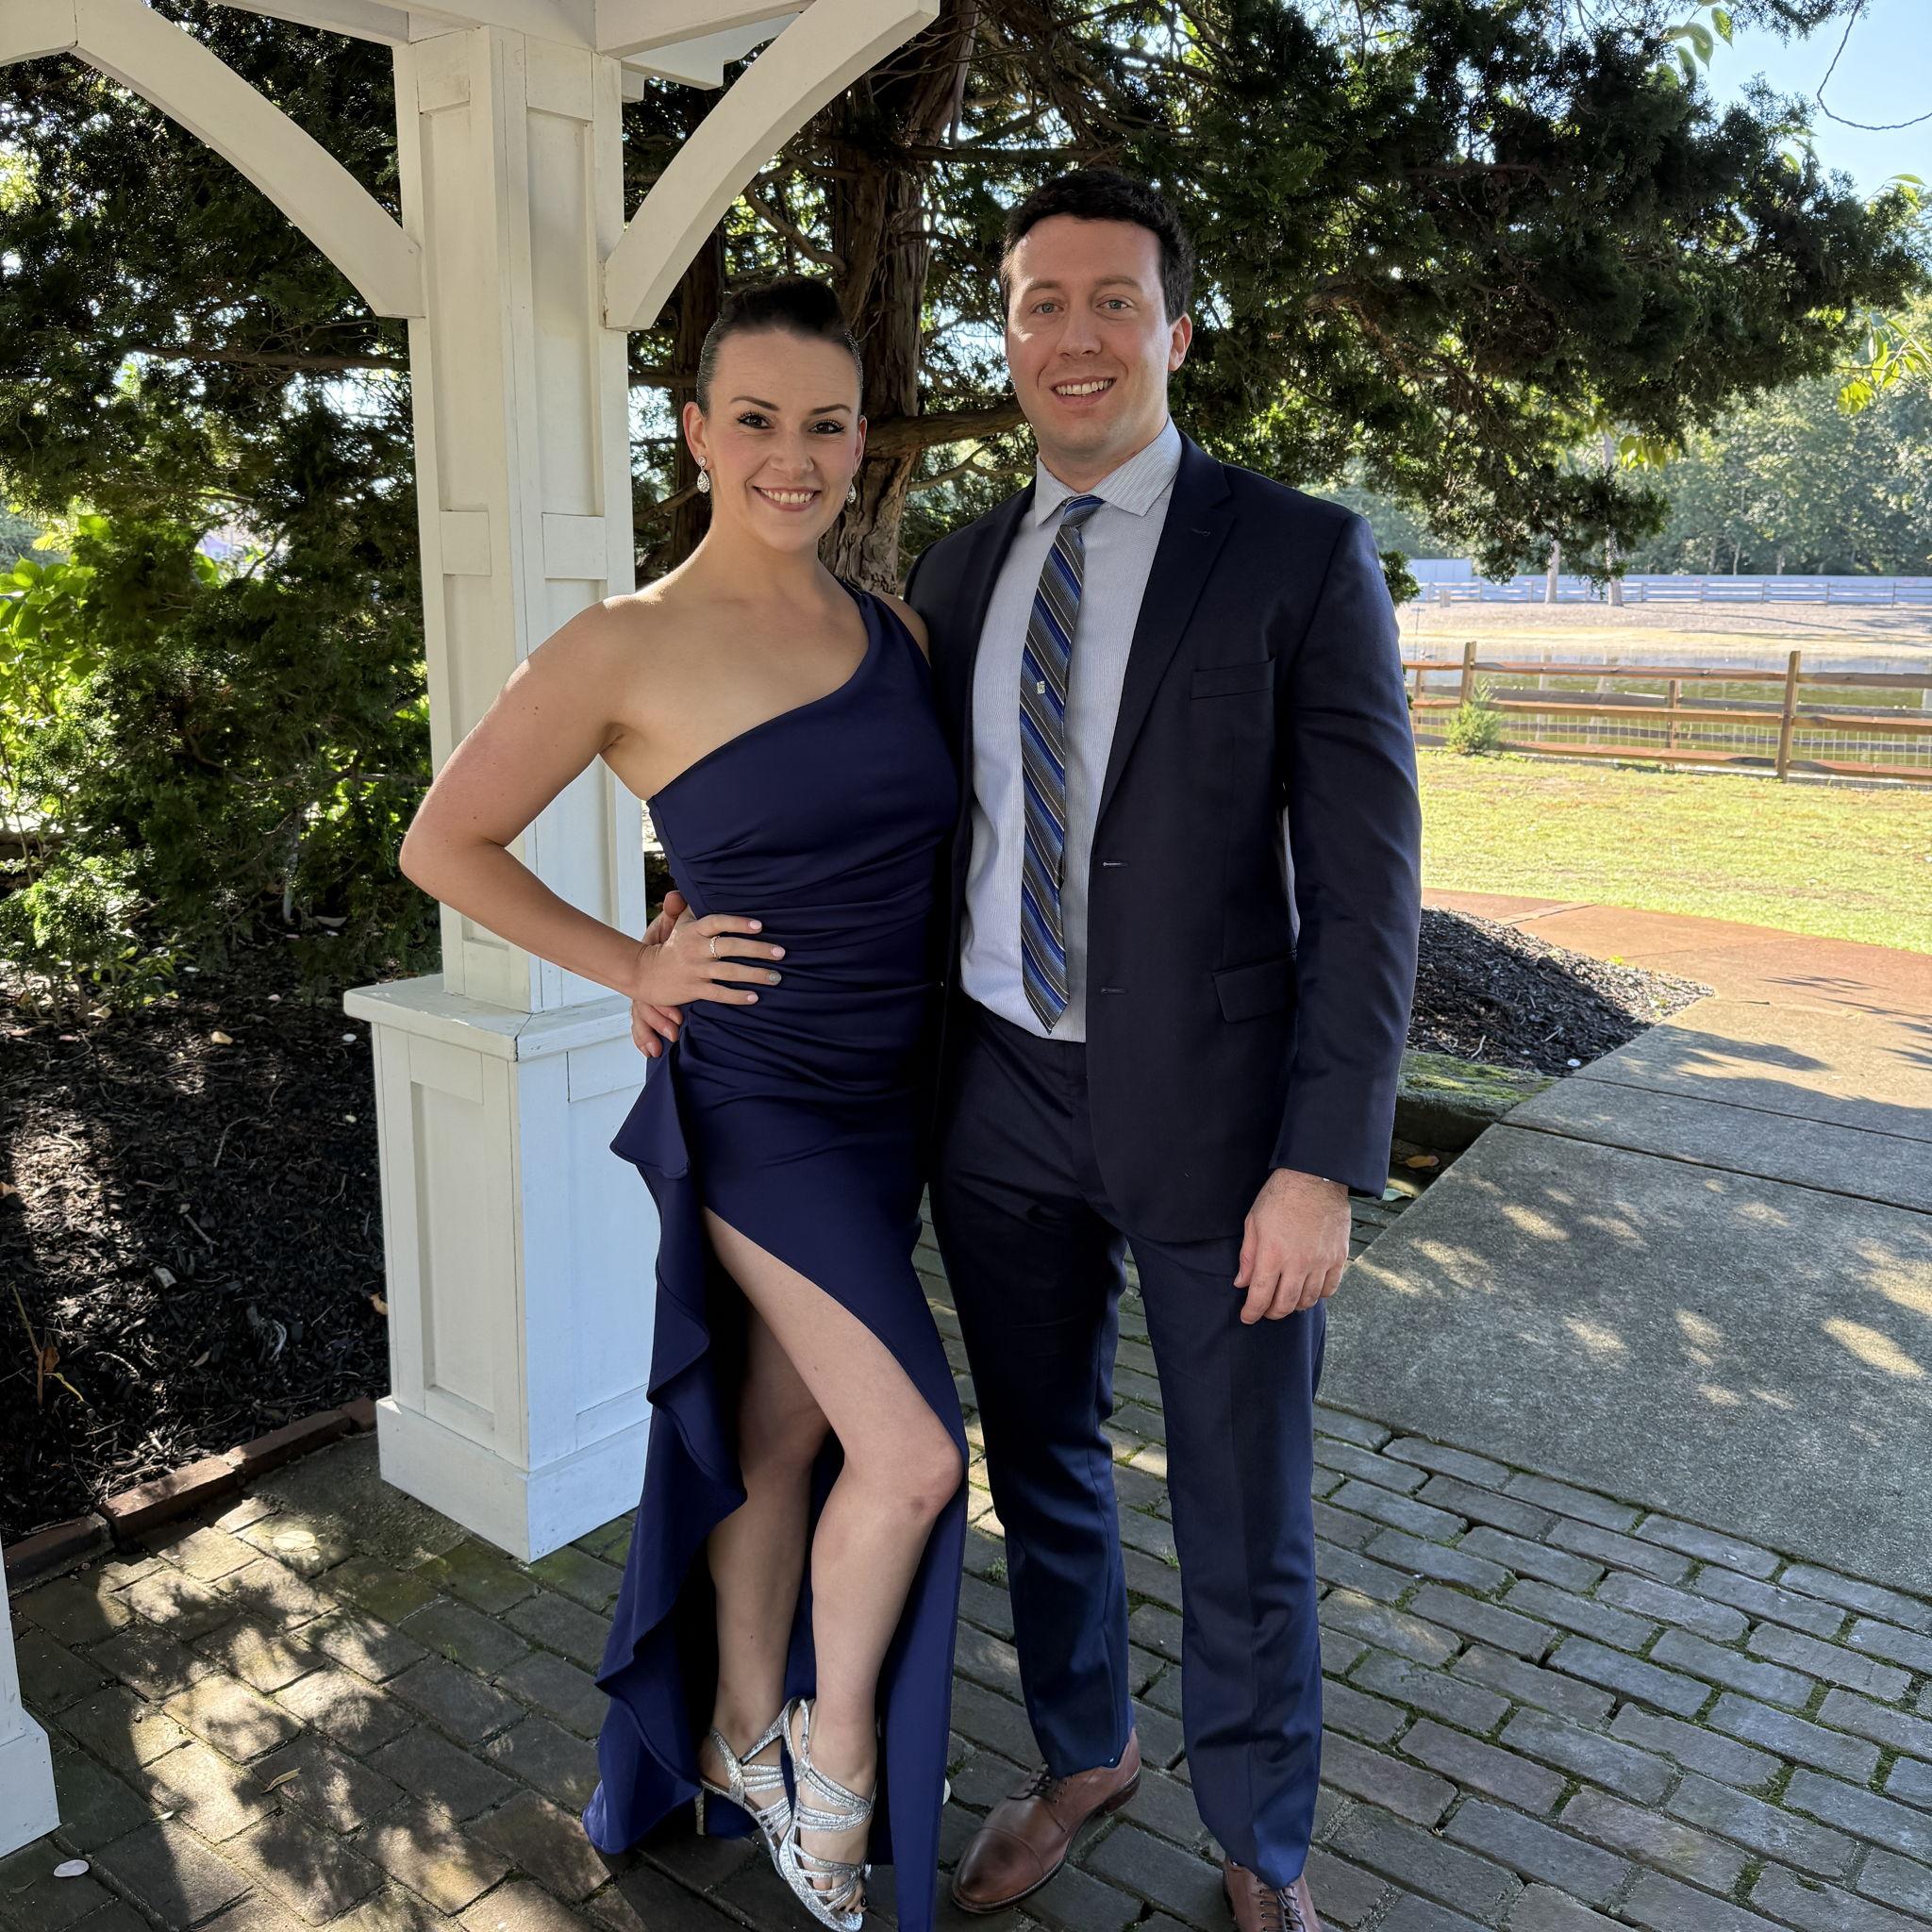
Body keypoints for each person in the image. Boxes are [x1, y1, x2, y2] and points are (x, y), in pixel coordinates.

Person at [395, 276, 967, 1932]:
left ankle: (733, 1726)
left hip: (890, 1100)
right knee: (914, 1456)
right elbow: (443, 843)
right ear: (699, 432)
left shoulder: (897, 634)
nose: (796, 457)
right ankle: (830, 1768)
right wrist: (630, 964)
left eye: (829, 425)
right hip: (759, 1103)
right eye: (760, 421)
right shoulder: (620, 644)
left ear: (859, 443)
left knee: (782, 1436)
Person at [902, 170, 1423, 1932]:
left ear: (1176, 333)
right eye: (1040, 303)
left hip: (1223, 1124)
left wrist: (1323, 1160)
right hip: (996, 1097)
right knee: (1040, 1459)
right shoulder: (960, 569)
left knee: (1241, 1505)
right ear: (1007, 335)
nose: (1076, 336)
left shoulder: (1293, 551)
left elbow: (1367, 884)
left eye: (1112, 301)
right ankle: (1084, 1751)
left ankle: (1262, 1845)